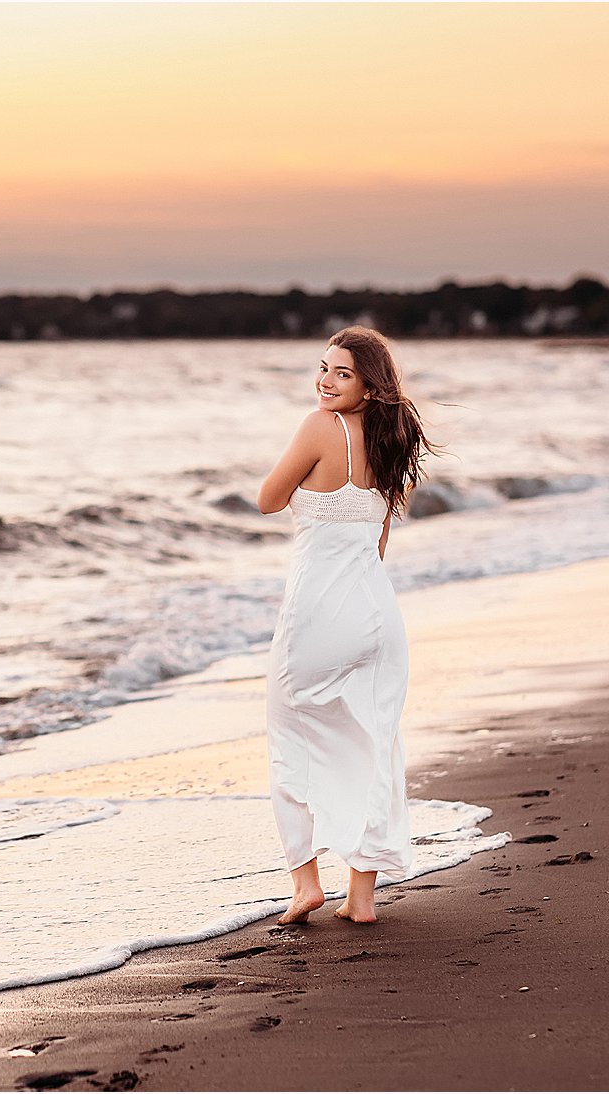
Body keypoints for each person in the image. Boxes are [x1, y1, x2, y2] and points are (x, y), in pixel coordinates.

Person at [255, 325, 438, 926]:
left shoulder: (317, 428)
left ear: (368, 385)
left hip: (317, 613)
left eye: (342, 373)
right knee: (374, 746)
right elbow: (378, 541)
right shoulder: (390, 442)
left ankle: (306, 882)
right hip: (378, 615)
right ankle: (362, 898)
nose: (325, 381)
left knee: (291, 738)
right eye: (323, 368)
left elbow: (267, 498)